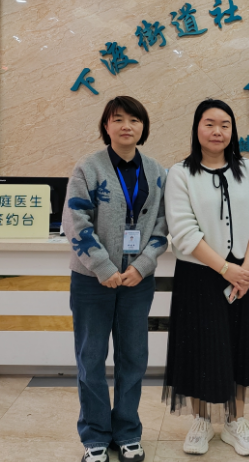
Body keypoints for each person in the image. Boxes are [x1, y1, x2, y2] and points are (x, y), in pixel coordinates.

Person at [62, 96, 168, 462]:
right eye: (118, 119)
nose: (126, 126)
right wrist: (104, 268)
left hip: (137, 281)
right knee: (91, 357)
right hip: (92, 281)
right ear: (106, 126)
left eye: (134, 120)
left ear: (143, 127)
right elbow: (75, 222)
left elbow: (162, 225)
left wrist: (142, 265)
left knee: (133, 357)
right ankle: (94, 435)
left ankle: (127, 432)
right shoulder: (88, 168)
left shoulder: (156, 171)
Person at [163, 99, 249, 457]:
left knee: (240, 346)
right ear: (197, 128)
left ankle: (236, 423)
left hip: (242, 273)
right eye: (209, 124)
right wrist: (226, 269)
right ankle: (201, 421)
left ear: (232, 131)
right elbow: (183, 231)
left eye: (225, 125)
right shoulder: (180, 173)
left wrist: (246, 269)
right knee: (198, 347)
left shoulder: (246, 169)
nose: (217, 131)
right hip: (199, 273)